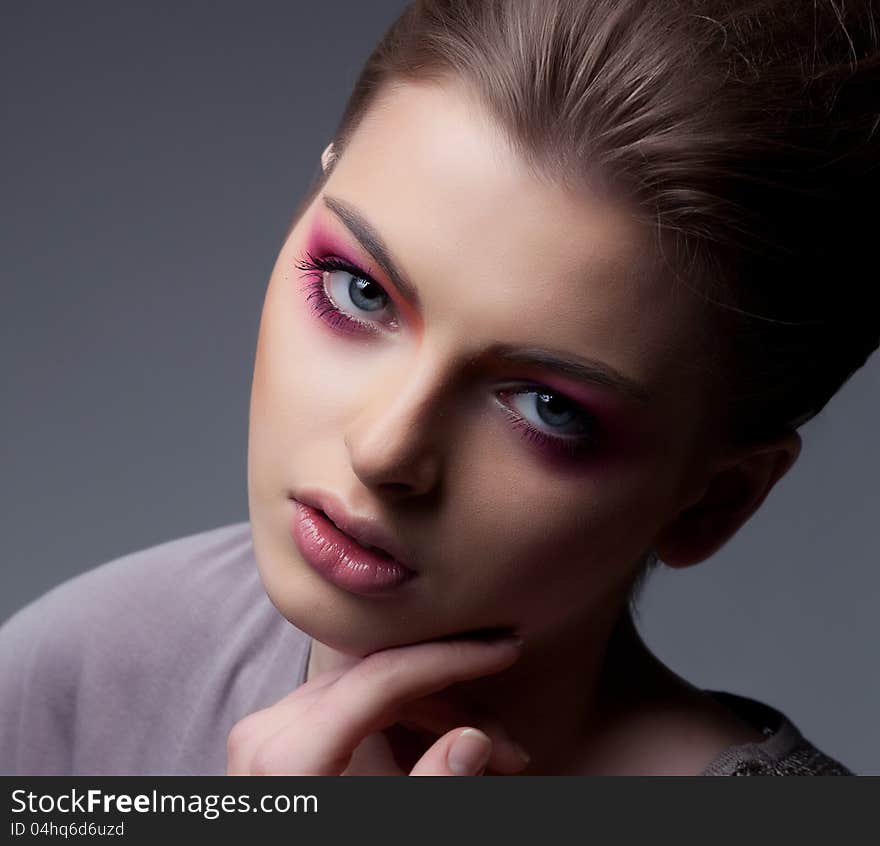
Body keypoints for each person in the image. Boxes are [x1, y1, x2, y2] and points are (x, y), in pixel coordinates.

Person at [2, 0, 876, 776]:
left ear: (713, 502)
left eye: (548, 406)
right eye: (359, 290)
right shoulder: (78, 678)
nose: (385, 451)